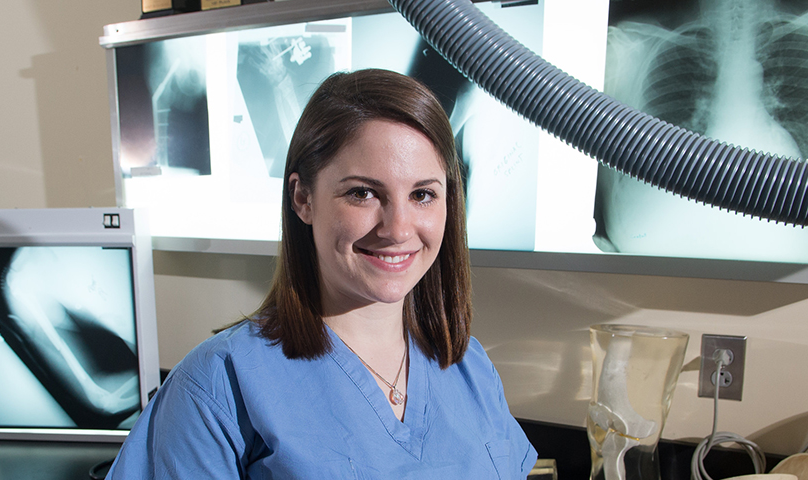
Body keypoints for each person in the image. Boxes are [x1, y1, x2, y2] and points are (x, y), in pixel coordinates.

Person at [107, 68, 538, 479]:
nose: (399, 229)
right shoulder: (218, 385)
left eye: (423, 194)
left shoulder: (469, 368)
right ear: (302, 198)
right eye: (363, 193)